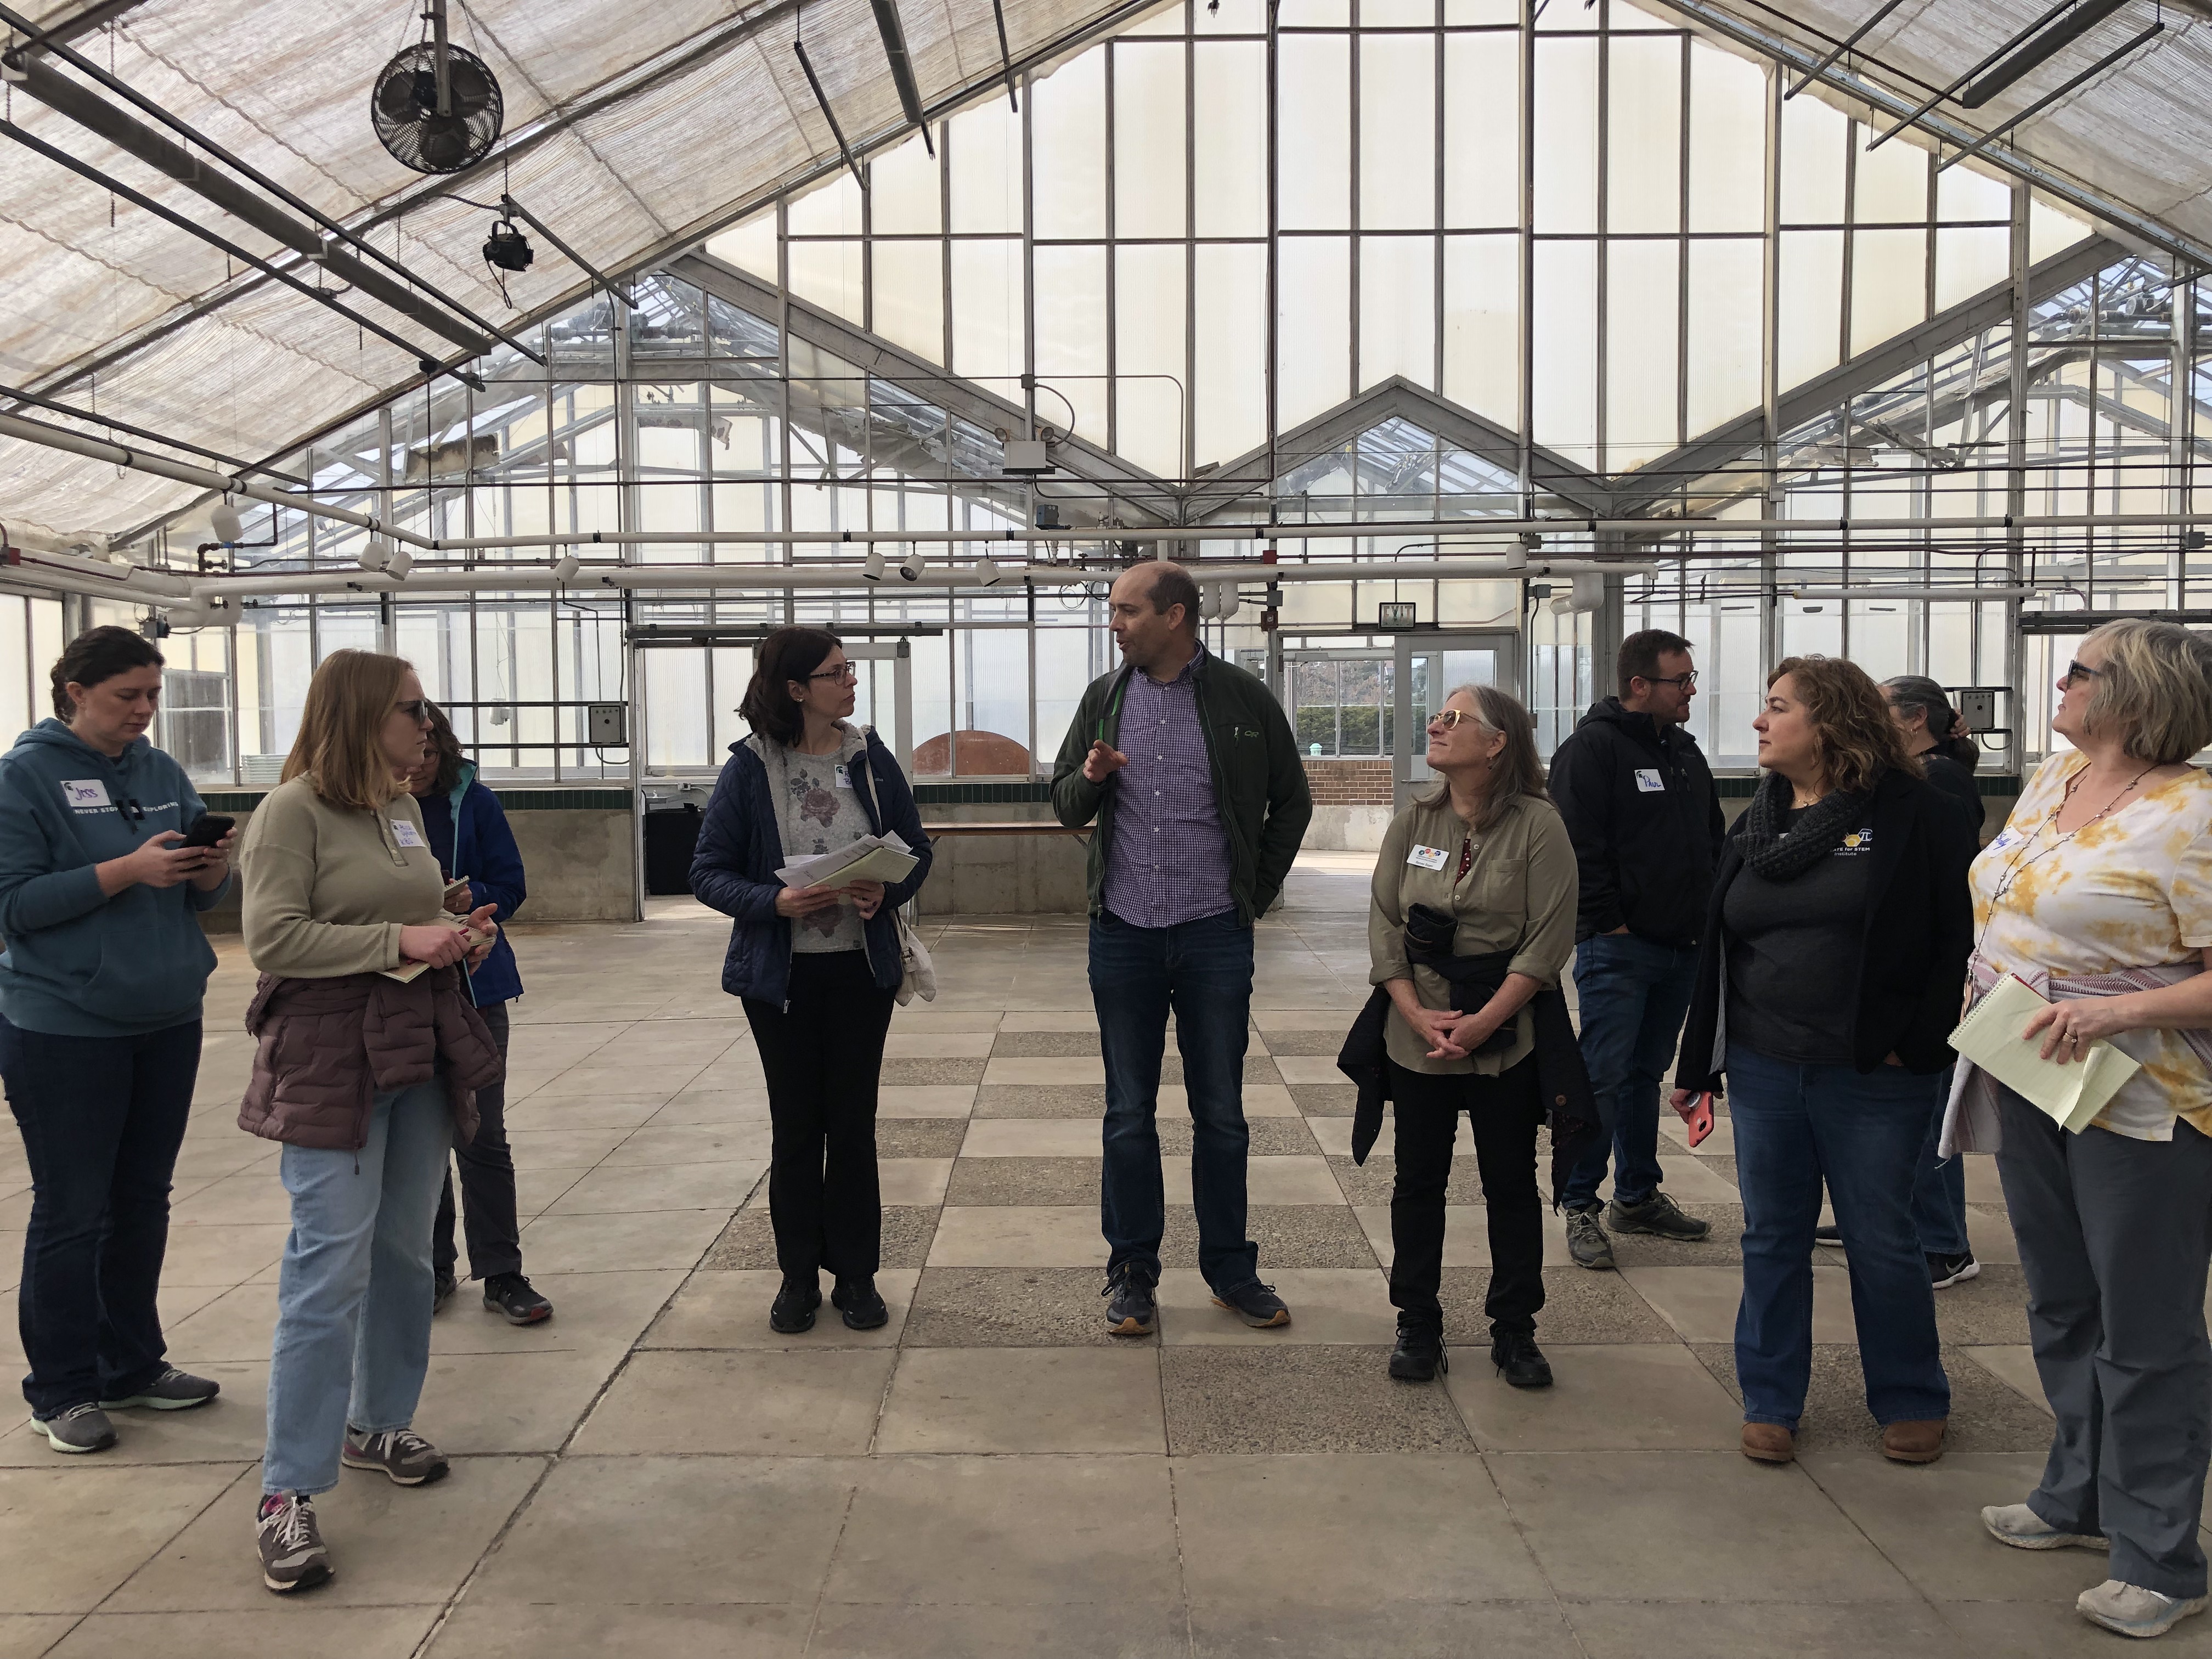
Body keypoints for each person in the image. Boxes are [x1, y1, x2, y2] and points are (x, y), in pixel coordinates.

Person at [1952, 620, 2212, 1643]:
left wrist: (2117, 1009)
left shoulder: (2194, 813)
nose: (2058, 682)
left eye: (2077, 670)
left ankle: (2160, 1554)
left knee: (2144, 1323)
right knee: (2062, 1296)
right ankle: (2079, 1492)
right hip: (2028, 1061)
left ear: (2135, 692)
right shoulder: (2054, 778)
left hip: (2142, 1090)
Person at [239, 651, 506, 1594]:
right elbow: (273, 937)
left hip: (414, 1047)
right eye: (410, 710)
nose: (426, 725)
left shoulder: (396, 805)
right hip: (330, 1058)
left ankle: (377, 1419)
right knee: (328, 1264)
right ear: (359, 713)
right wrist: (401, 937)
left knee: (402, 1252)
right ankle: (286, 1492)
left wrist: (448, 915)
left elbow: (397, 904)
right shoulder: (290, 814)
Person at [1669, 656, 1972, 1470]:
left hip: (1874, 1071)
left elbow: (1955, 937)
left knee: (1882, 1237)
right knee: (1772, 1238)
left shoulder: (1914, 810)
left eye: (1778, 708)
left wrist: (1920, 1042)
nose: (1761, 723)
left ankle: (1910, 1396)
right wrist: (1700, 1062)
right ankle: (1770, 1398)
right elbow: (1721, 948)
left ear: (1831, 722)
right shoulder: (1757, 820)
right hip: (1768, 1067)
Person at [1049, 560, 1313, 1337]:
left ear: (1175, 616)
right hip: (1124, 932)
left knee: (1222, 1114)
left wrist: (1252, 897)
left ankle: (1231, 1269)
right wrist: (1092, 777)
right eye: (1113, 611)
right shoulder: (1105, 699)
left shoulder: (1240, 698)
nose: (1115, 623)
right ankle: (1132, 1272)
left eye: (1128, 610)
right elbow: (1065, 799)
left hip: (1211, 935)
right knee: (1128, 1112)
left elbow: (1290, 800)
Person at [0, 627, 237, 1454]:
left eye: (151, 695)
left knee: (142, 1202)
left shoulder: (160, 770)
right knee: (72, 1211)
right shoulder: (23, 778)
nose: (144, 711)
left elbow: (196, 899)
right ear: (74, 691)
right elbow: (13, 907)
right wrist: (122, 873)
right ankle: (61, 1390)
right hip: (65, 1028)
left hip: (164, 1017)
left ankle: (130, 1366)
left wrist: (208, 873)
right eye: (125, 697)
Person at [690, 628, 932, 1336]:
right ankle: (797, 1277)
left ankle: (856, 1277)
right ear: (796, 690)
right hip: (782, 980)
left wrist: (883, 893)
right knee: (797, 1129)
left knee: (852, 1127)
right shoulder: (750, 770)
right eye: (835, 673)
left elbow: (916, 850)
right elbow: (707, 873)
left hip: (860, 972)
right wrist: (776, 902)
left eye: (850, 669)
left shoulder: (870, 758)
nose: (850, 682)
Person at [1365, 685, 1580, 1388]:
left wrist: (1487, 1021)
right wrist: (1415, 1011)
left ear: (1497, 744)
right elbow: (1383, 926)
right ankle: (1417, 1322)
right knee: (1417, 1183)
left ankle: (1515, 1329)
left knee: (1511, 1184)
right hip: (1416, 1032)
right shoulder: (1412, 823)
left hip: (1507, 1032)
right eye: (1437, 714)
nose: (1436, 724)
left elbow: (1548, 937)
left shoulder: (1539, 825)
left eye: (1453, 718)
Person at [1547, 629, 1725, 1271]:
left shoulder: (1683, 752)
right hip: (1619, 950)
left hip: (1681, 946)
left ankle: (1638, 1194)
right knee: (1603, 1076)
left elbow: (1711, 841)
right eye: (1681, 680)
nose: (1692, 691)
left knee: (1645, 1075)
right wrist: (1609, 923)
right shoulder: (1592, 751)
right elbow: (1575, 848)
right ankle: (1579, 1201)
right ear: (1640, 686)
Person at [1813, 674, 1985, 1288]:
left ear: (1914, 720)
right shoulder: (1930, 776)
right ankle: (1917, 1226)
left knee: (1926, 1119)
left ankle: (1943, 1244)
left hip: (1923, 981)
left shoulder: (1934, 783)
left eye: (1878, 709)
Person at [411, 703, 549, 1325]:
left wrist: (474, 898)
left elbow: (512, 887)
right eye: (408, 752)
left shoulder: (476, 804)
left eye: (429, 754)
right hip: (400, 991)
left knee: (481, 1133)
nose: (416, 766)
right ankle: (430, 1270)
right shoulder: (366, 810)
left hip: (475, 989)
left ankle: (501, 1273)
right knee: (418, 1140)